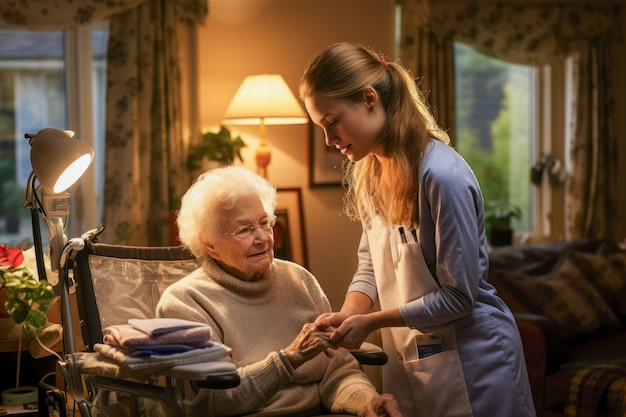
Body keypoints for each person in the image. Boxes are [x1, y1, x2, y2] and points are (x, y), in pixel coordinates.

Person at [299, 41, 536, 417]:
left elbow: (459, 297)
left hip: (475, 366)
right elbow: (371, 265)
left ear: (369, 98)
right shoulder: (371, 171)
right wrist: (348, 313)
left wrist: (372, 322)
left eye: (332, 122)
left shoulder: (442, 176)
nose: (329, 140)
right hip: (411, 360)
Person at [155, 165, 402, 417]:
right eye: (245, 229)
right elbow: (217, 401)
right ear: (211, 247)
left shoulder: (298, 279)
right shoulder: (185, 303)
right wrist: (290, 358)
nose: (264, 238)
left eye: (265, 223)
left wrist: (366, 402)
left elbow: (338, 369)